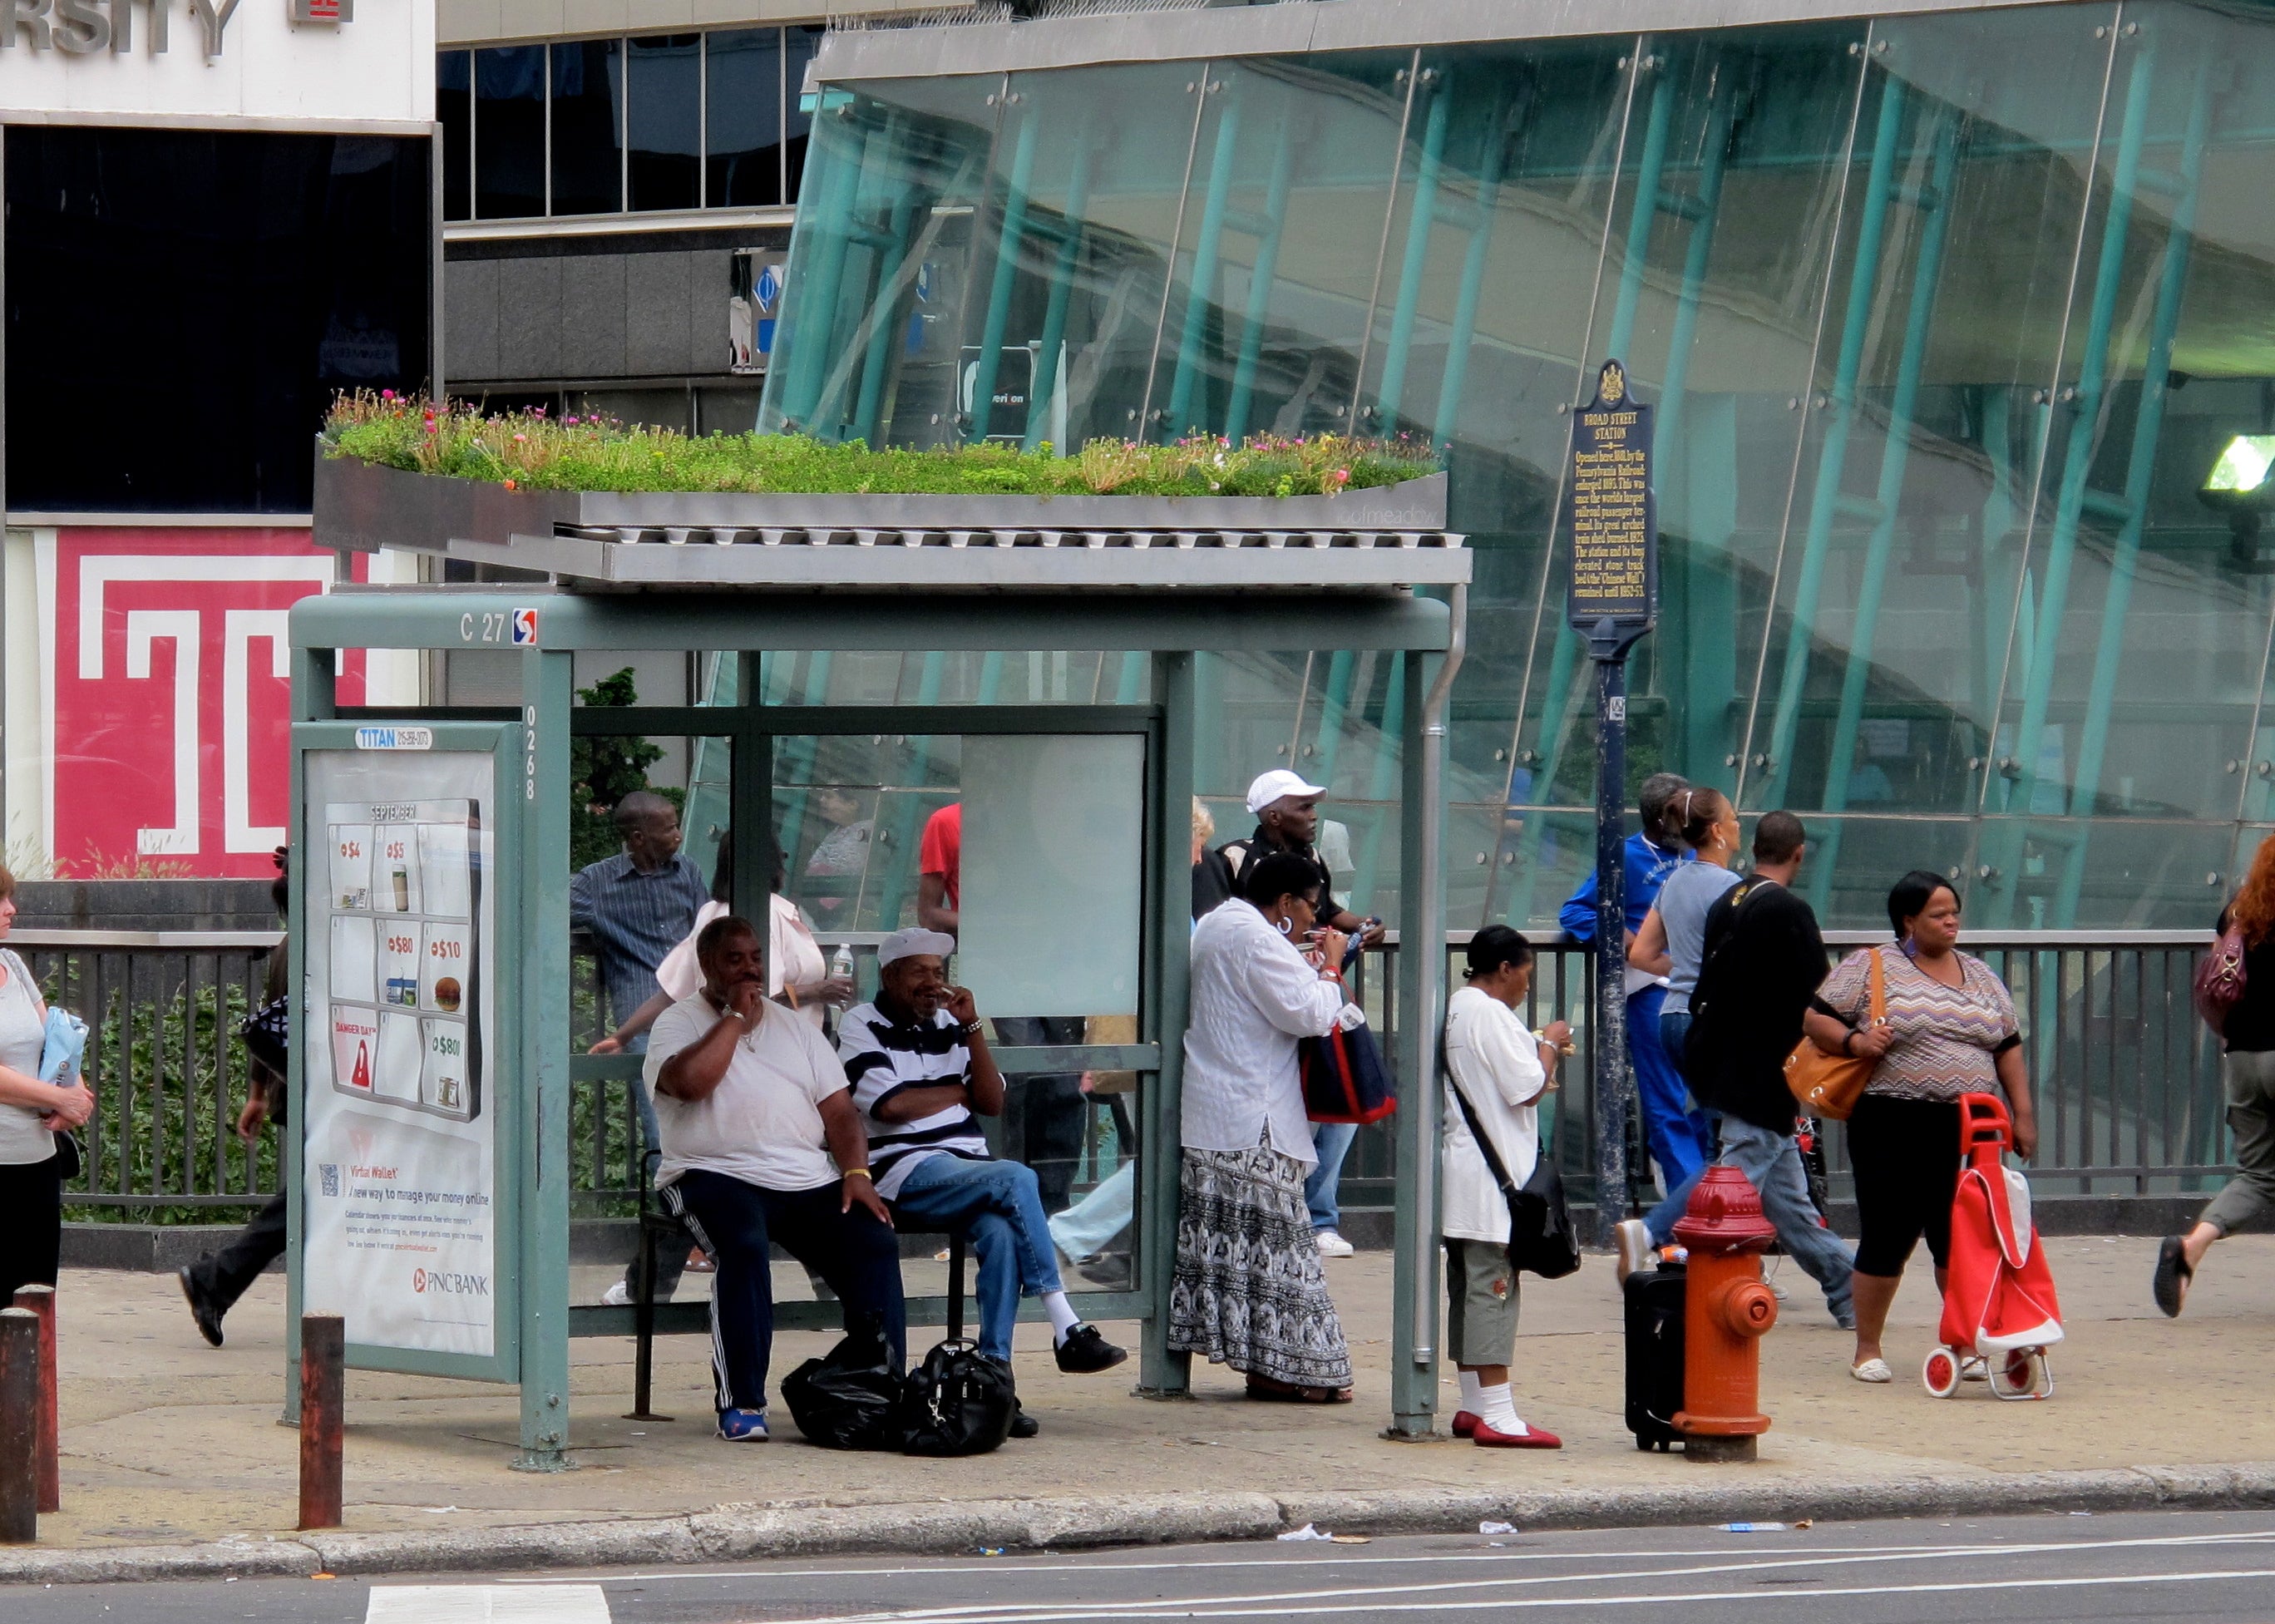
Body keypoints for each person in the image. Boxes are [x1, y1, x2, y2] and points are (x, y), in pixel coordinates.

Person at [841, 926, 1126, 1434]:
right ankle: (1065, 1325)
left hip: (966, 1170)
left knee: (1000, 1232)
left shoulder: (952, 1025)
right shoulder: (861, 1023)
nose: (933, 984)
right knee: (1016, 1177)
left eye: (939, 973)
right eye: (920, 973)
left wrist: (972, 1028)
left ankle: (994, 1387)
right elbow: (891, 1105)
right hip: (905, 1171)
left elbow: (992, 1101)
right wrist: (958, 1091)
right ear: (889, 977)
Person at [644, 915, 905, 1441]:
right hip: (710, 1174)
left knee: (874, 1240)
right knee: (743, 1246)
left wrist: (856, 1172)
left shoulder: (796, 1030)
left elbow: (840, 1113)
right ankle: (741, 1402)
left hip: (804, 1176)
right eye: (734, 960)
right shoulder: (679, 1022)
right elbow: (690, 1084)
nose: (748, 969)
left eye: (755, 959)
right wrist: (735, 1019)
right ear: (707, 966)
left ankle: (881, 1385)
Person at [591, 842, 855, 1307]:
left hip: (786, 1060)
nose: (788, 861)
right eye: (781, 855)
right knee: (719, 1185)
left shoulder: (778, 910)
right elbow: (719, 990)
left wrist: (623, 1031)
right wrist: (816, 990)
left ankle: (832, 1285)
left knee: (792, 1178)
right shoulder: (731, 917)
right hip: (729, 1058)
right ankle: (645, 1288)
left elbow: (681, 986)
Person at [1805, 869, 2035, 1382]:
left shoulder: (1980, 976)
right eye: (1938, 913)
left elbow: (2008, 1047)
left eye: (1954, 911)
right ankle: (1868, 1347)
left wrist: (2023, 1115)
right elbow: (1816, 1019)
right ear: (1908, 920)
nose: (1951, 920)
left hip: (1967, 1125)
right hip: (1889, 1117)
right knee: (1889, 1231)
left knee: (1958, 1237)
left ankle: (1966, 1339)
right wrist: (1857, 1043)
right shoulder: (1870, 967)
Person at [1171, 850, 1355, 1402]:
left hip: (1218, 1111)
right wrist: (1330, 965)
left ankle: (1269, 1365)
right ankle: (1296, 1369)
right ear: (1284, 903)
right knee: (1283, 1256)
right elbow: (1312, 1013)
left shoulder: (1219, 923)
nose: (1313, 922)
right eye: (1310, 908)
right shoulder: (1256, 939)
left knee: (1242, 1257)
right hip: (1257, 1119)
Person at [1670, 812, 1857, 1330]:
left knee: (1789, 1205)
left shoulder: (1728, 902)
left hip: (1722, 1063)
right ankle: (1693, 1288)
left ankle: (1849, 1288)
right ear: (1799, 854)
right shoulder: (1790, 911)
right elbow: (1825, 995)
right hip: (1764, 1075)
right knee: (1731, 1193)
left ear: (1755, 848)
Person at [1193, 769, 1384, 1260]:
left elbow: (1330, 915)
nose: (1314, 815)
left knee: (1337, 1107)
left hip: (1278, 1022)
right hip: (1268, 1023)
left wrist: (1361, 927)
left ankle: (1319, 1215)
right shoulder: (1235, 864)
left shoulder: (1311, 862)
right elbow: (1308, 1011)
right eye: (1302, 806)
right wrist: (1329, 965)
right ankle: (1313, 1217)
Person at [919, 799, 1088, 1214]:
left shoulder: (1045, 821)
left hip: (1056, 962)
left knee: (1065, 1083)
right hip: (1003, 964)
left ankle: (1054, 1207)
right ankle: (1018, 1196)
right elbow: (928, 913)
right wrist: (998, 922)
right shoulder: (948, 822)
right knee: (1023, 1074)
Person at [1441, 925, 1569, 1448]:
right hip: (1493, 1180)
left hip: (1466, 1172)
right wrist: (1551, 1046)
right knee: (1495, 1289)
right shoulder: (1491, 1013)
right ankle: (1498, 1412)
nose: (1526, 987)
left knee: (1469, 1290)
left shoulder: (1458, 1007)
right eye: (1526, 975)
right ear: (1505, 969)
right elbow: (1526, 1088)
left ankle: (1474, 1403)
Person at [1559, 772, 1712, 1207]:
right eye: (1683, 810)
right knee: (1664, 1097)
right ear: (1663, 816)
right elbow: (1576, 913)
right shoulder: (1624, 856)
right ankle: (1688, 1198)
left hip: (1702, 992)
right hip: (1651, 990)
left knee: (1713, 1094)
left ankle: (1690, 1170)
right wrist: (1631, 942)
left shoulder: (1700, 855)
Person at [1616, 787, 1745, 1276]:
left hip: (1671, 1012)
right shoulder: (1732, 887)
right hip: (1713, 1020)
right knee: (1732, 1142)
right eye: (1732, 817)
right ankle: (1671, 1233)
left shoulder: (1674, 883)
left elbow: (1643, 955)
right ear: (1715, 830)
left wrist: (1686, 968)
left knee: (1714, 1130)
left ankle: (1698, 1239)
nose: (1738, 825)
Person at [2157, 836, 2275, 1315]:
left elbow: (2219, 981)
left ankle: (2191, 1247)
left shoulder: (2238, 914)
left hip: (2245, 1056)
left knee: (2259, 1175)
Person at [180, 847, 293, 1345]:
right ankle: (216, 1279)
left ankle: (216, 1280)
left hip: (296, 1087)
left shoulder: (290, 945)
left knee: (313, 1201)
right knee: (311, 1201)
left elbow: (269, 1023)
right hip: (326, 1093)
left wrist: (258, 1094)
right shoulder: (322, 944)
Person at [0, 864, 92, 1305]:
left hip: (36, 1160)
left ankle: (30, 1378)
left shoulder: (11, 963)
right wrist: (58, 1096)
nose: (11, 910)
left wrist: (76, 1089)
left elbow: (52, 1043)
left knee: (36, 1297)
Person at [570, 790, 712, 1048]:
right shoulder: (597, 883)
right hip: (642, 1025)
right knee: (652, 1088)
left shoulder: (687, 872)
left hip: (697, 1014)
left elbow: (708, 934)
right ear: (638, 839)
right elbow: (543, 917)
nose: (678, 836)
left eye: (676, 826)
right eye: (669, 830)